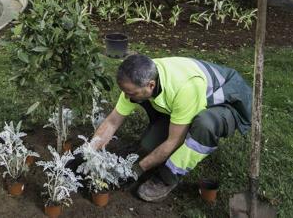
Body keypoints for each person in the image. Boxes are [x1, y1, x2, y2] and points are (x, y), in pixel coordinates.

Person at [91, 54, 252, 202]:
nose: (126, 97)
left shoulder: (184, 88)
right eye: (125, 92)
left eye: (131, 93)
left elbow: (174, 141)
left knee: (204, 124)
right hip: (185, 103)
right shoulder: (138, 79)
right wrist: (89, 151)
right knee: (147, 146)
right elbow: (112, 122)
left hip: (226, 100)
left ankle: (168, 177)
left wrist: (137, 169)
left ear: (151, 85)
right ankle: (176, 126)